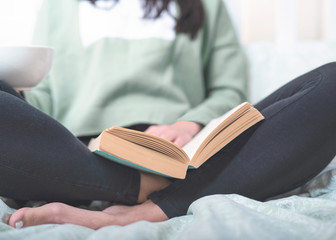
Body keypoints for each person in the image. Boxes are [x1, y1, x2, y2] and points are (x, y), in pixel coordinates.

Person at [0, 0, 335, 230]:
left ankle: (148, 203)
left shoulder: (203, 5)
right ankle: (138, 187)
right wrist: (18, 100)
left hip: (180, 158)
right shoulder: (61, 5)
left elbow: (228, 90)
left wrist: (188, 124)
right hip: (78, 152)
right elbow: (46, 94)